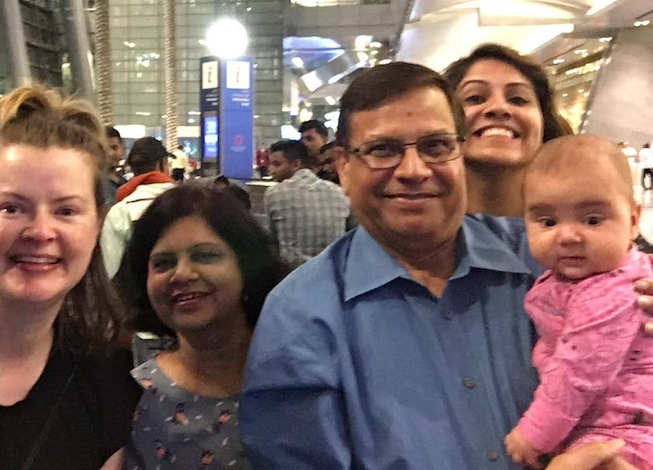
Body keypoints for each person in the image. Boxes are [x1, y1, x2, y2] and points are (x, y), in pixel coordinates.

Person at [239, 61, 644, 469]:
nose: (414, 171)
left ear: (461, 151)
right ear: (343, 165)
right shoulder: (300, 316)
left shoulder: (548, 259)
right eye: (383, 150)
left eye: (435, 146)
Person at [0, 85, 141, 470]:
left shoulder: (106, 374)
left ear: (97, 224)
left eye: (66, 211)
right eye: (13, 207)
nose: (40, 231)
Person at [504, 134, 653, 469]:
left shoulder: (611, 291)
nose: (567, 235)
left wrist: (534, 433)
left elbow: (579, 372)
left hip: (628, 432)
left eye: (592, 220)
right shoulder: (570, 279)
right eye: (548, 222)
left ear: (632, 220)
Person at [115, 185, 288, 470]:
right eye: (164, 263)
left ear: (246, 265)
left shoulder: (302, 373)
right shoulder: (133, 396)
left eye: (205, 256)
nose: (181, 273)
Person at [444, 43, 571, 217]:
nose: (498, 107)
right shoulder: (409, 236)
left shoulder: (588, 233)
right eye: (475, 98)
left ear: (544, 125)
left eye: (518, 99)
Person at [265, 139, 349, 267]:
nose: (271, 170)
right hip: (333, 271)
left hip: (292, 275)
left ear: (296, 164)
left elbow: (271, 241)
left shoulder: (275, 193)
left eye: (276, 164)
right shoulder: (339, 192)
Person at [100, 136, 175, 278]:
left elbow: (108, 270)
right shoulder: (187, 203)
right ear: (162, 164)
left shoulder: (121, 211)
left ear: (133, 170)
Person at [104, 126, 127, 206]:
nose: (110, 153)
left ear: (123, 150)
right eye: (105, 149)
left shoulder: (126, 183)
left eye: (114, 148)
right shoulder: (95, 184)